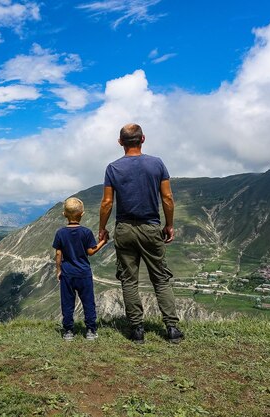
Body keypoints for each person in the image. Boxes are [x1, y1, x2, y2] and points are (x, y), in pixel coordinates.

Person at [99, 123, 184, 344]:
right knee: (161, 278)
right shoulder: (157, 164)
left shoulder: (113, 168)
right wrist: (169, 224)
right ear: (143, 139)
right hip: (150, 227)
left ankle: (137, 329)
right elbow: (167, 198)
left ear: (120, 142)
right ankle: (172, 328)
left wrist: (102, 228)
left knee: (129, 280)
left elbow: (107, 202)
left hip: (124, 229)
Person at [53, 197, 107, 341]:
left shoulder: (60, 233)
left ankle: (68, 331)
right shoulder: (86, 232)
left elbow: (58, 253)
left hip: (67, 273)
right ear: (82, 214)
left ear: (64, 214)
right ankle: (90, 330)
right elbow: (90, 251)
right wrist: (103, 242)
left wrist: (58, 270)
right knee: (88, 302)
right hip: (83, 273)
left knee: (67, 303)